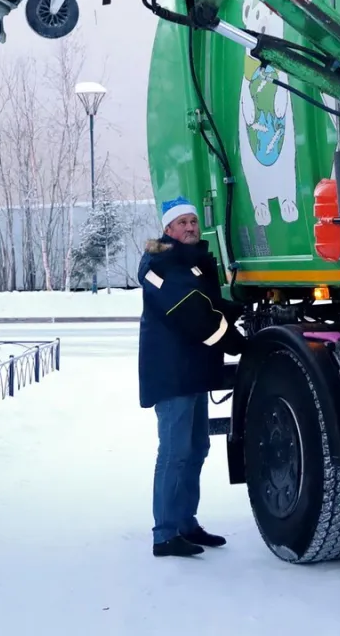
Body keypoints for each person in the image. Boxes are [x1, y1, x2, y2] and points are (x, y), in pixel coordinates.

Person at [139, 197, 246, 558]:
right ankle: (164, 534)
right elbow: (192, 312)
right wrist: (237, 341)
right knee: (174, 452)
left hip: (194, 372)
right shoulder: (160, 266)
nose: (190, 228)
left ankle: (186, 522)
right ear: (167, 229)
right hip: (172, 375)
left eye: (194, 223)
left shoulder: (192, 263)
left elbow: (209, 302)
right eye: (182, 223)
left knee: (197, 447)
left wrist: (240, 305)